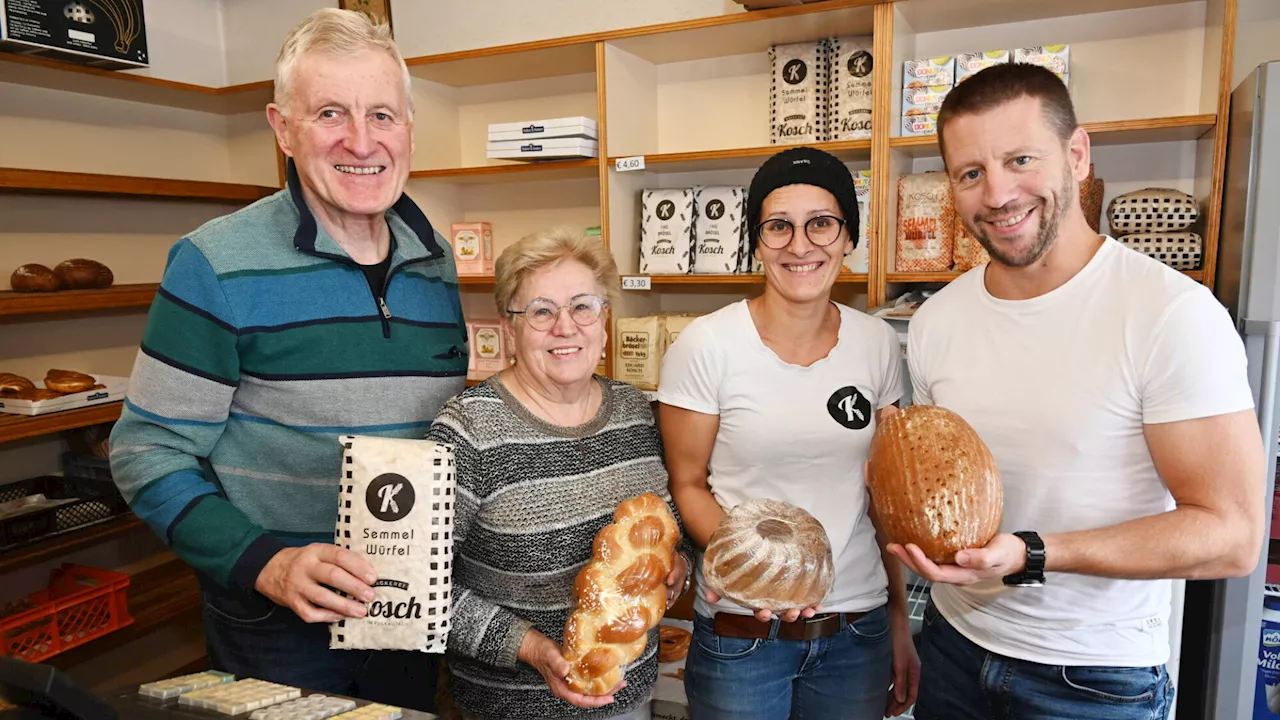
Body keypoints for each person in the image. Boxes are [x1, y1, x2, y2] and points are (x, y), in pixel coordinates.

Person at [107, 8, 467, 706]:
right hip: (276, 625)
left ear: (410, 130)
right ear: (283, 127)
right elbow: (146, 450)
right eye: (331, 112)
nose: (362, 141)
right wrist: (266, 563)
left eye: (383, 115)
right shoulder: (214, 262)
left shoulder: (435, 261)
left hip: (404, 609)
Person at [896, 62, 1266, 720]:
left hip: (1092, 679)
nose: (999, 193)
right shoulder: (936, 323)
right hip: (954, 650)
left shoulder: (1170, 313)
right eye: (971, 173)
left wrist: (1037, 553)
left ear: (1078, 155)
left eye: (1021, 159)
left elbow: (1232, 536)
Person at [657, 146, 920, 720]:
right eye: (779, 226)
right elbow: (688, 483)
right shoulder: (707, 345)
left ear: (849, 238)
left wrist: (898, 619)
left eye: (821, 224)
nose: (800, 246)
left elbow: (885, 495)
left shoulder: (877, 344)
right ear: (756, 242)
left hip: (856, 629)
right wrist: (763, 578)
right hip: (742, 632)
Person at [426, 227, 693, 720]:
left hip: (630, 699)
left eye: (583, 306)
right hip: (513, 708)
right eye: (541, 311)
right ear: (509, 330)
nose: (565, 327)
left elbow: (665, 531)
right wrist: (529, 647)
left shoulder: (635, 411)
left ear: (605, 321)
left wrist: (676, 567)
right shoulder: (469, 430)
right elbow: (413, 587)